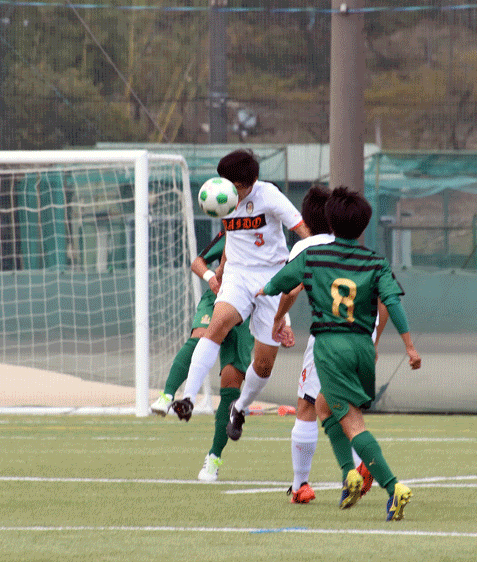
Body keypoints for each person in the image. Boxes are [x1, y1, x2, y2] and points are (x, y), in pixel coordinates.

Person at [258, 187, 422, 520]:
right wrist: (409, 346)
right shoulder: (375, 261)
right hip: (363, 345)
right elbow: (391, 302)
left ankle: (393, 487)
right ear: (364, 227)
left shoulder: (313, 255)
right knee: (322, 405)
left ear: (328, 223)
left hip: (331, 346)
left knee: (351, 422)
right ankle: (349, 474)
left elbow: (282, 283)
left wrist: (263, 290)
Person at [170, 150, 310, 449]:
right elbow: (230, 239)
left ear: (250, 183)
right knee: (217, 324)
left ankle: (241, 406)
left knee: (263, 365)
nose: (228, 190)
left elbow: (302, 230)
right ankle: (188, 397)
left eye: (235, 185)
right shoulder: (222, 196)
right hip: (237, 276)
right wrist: (219, 271)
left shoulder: (269, 196)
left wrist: (307, 262)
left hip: (271, 278)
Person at [272, 185, 381, 505]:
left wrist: (279, 320)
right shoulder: (352, 247)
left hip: (332, 337)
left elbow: (290, 289)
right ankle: (360, 467)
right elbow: (385, 299)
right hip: (363, 334)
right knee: (339, 407)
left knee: (307, 406)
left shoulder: (307, 247)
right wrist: (375, 340)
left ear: (306, 218)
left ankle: (301, 485)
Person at [150, 229, 256, 482]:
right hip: (219, 297)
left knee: (231, 381)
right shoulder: (234, 231)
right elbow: (198, 261)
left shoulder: (273, 244)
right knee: (200, 335)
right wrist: (210, 277)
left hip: (250, 306)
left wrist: (281, 320)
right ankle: (167, 395)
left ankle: (214, 458)